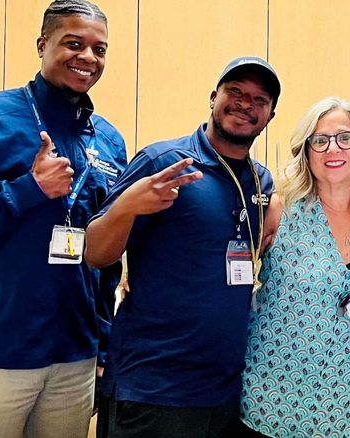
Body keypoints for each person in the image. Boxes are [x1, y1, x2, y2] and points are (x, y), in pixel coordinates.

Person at [0, 1, 127, 437]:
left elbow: (105, 253)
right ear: (43, 44)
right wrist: (28, 190)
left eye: (99, 50)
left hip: (74, 350)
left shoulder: (110, 140)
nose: (88, 58)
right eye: (73, 44)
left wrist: (101, 343)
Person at [84, 56, 280, 437]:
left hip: (226, 392)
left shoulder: (261, 183)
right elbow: (96, 253)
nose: (245, 104)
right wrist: (126, 206)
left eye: (259, 100)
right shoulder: (164, 163)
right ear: (213, 97)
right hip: (154, 388)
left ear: (270, 116)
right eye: (235, 92)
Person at [240, 97, 350, 437]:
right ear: (306, 152)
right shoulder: (280, 210)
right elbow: (223, 262)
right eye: (319, 141)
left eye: (344, 137)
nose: (332, 149)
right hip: (274, 394)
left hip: (345, 398)